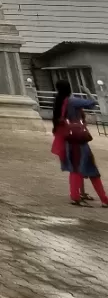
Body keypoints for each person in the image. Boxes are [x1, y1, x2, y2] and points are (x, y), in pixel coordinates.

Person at [51, 79, 108, 207]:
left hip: (69, 140)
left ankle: (84, 196)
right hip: (79, 141)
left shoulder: (59, 101)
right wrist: (87, 91)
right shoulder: (72, 101)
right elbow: (92, 103)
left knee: (79, 168)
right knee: (82, 169)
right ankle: (80, 197)